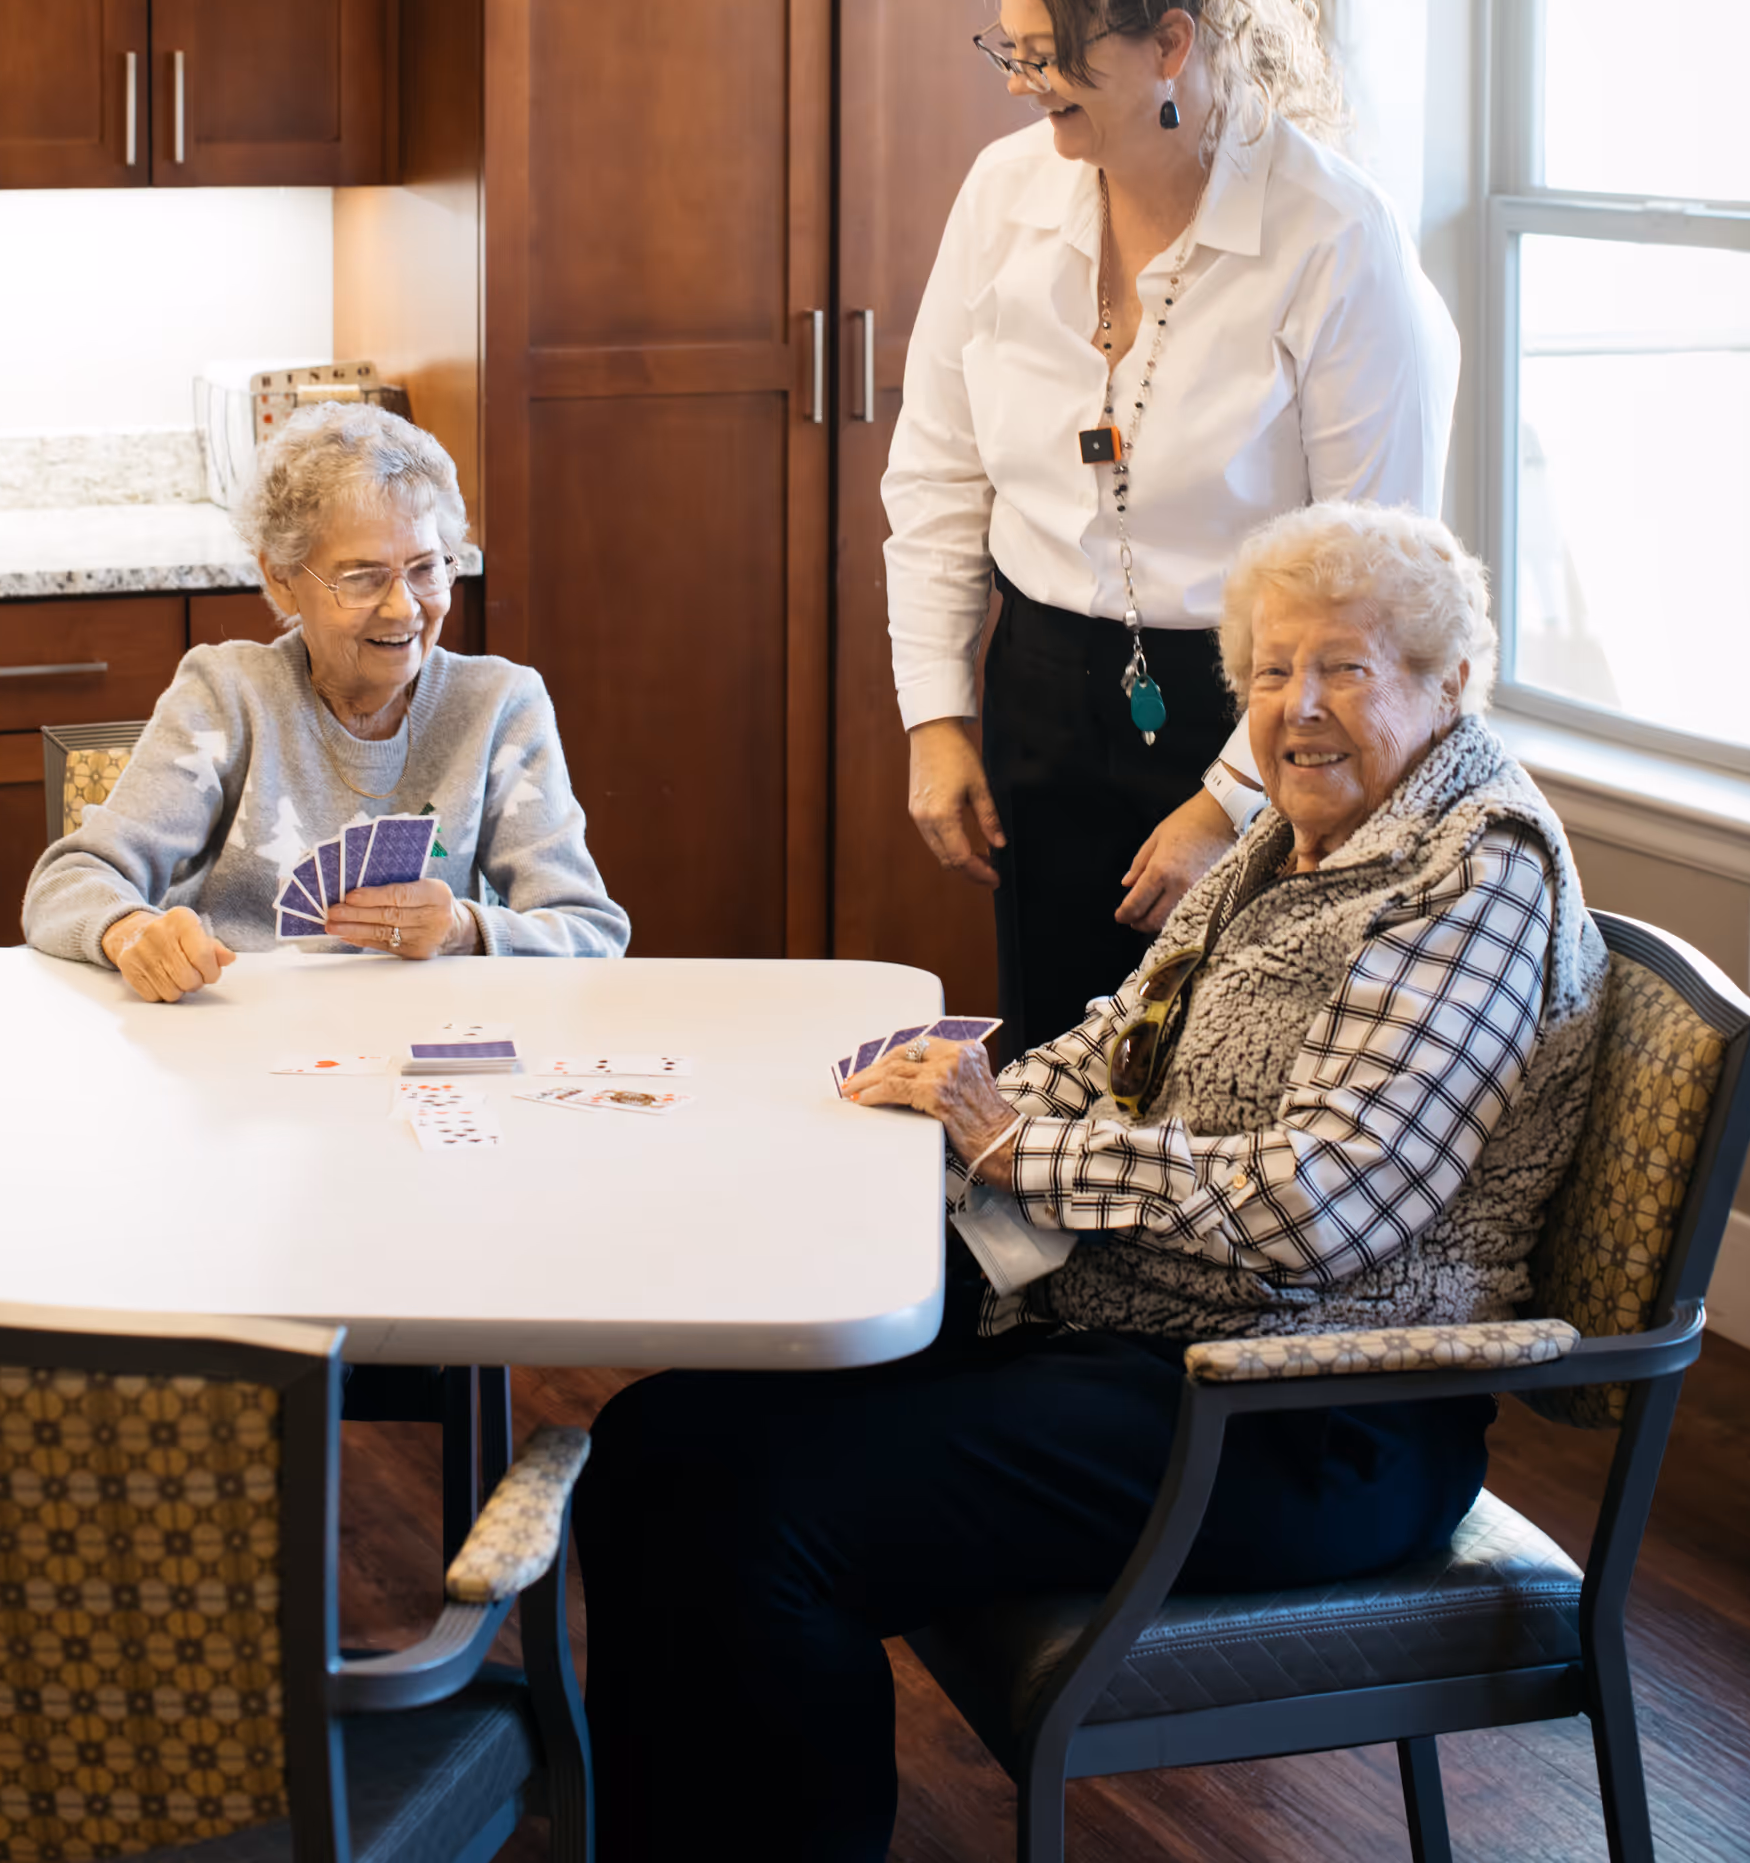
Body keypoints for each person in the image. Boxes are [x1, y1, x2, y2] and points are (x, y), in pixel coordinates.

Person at [574, 502, 1606, 1863]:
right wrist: (951, 1108)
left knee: (767, 1525)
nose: (1299, 707)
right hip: (1136, 1336)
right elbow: (1125, 1037)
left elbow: (1321, 1203)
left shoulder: (1475, 869)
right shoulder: (1296, 829)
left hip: (1312, 1413)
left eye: (1346, 668)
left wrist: (1008, 1145)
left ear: (1446, 682)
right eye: (1272, 672)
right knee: (655, 1448)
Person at [884, 0, 1459, 1052]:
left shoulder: (1332, 237)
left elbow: (1373, 576)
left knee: (1222, 1085)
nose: (1026, 84)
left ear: (1172, 44)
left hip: (1265, 709)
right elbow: (935, 475)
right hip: (1040, 685)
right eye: (1012, 48)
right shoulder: (1002, 195)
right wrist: (938, 714)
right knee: (1049, 1074)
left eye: (1053, 55)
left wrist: (1228, 805)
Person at [23, 402, 627, 998]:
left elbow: (592, 932)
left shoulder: (501, 706)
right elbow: (67, 883)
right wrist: (133, 932)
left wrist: (466, 931)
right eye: (363, 576)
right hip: (240, 1048)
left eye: (425, 568)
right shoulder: (227, 694)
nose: (403, 608)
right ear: (281, 579)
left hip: (421, 1054)